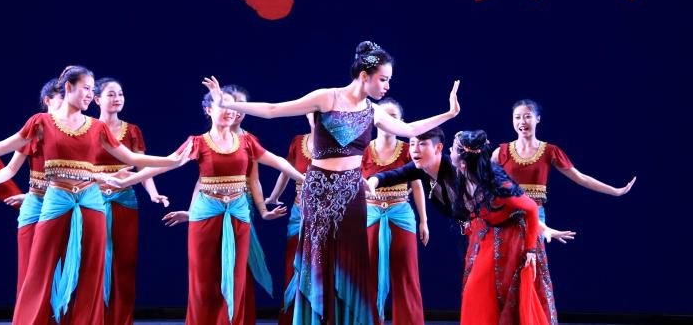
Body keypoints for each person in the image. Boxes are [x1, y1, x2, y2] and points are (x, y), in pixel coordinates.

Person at [206, 40, 460, 324]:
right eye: (383, 79)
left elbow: (410, 129)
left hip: (352, 193)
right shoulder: (327, 97)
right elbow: (274, 109)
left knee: (351, 263)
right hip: (320, 191)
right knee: (319, 260)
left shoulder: (373, 111)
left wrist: (449, 114)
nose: (387, 86)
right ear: (364, 75)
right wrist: (226, 103)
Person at [0, 65, 187, 324]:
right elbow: (2, 147)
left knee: (91, 271)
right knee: (40, 268)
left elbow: (133, 158)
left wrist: (172, 160)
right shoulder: (41, 122)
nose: (89, 94)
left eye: (92, 90)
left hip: (91, 200)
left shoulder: (97, 127)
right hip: (57, 198)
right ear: (69, 87)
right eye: (86, 88)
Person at [106, 88, 302, 325]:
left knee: (235, 278)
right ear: (209, 110)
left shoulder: (247, 142)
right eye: (223, 106)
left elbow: (278, 161)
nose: (230, 111)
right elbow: (167, 163)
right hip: (205, 216)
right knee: (204, 282)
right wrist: (128, 181)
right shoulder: (198, 142)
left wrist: (304, 179)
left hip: (238, 215)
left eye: (232, 106)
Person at [492, 99, 635, 325]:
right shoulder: (501, 152)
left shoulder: (550, 151)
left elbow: (580, 178)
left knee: (531, 270)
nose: (522, 121)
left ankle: (532, 319)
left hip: (534, 218)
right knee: (506, 270)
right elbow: (483, 181)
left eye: (527, 116)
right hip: (506, 218)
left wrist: (615, 191)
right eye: (517, 117)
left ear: (538, 119)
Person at [452, 130, 575, 325]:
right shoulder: (463, 175)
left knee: (509, 295)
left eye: (453, 149)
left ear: (463, 162)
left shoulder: (497, 184)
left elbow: (531, 208)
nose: (449, 151)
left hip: (515, 237)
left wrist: (530, 250)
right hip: (490, 233)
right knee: (476, 290)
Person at [0, 78, 64, 301]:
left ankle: (58, 315)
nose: (68, 102)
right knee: (29, 268)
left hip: (62, 204)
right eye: (62, 97)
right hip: (36, 203)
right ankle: (29, 315)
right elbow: (10, 167)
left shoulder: (75, 131)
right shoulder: (36, 129)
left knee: (59, 267)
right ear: (48, 101)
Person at [93, 77, 169, 325]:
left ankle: (120, 320)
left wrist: (152, 193)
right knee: (91, 260)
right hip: (91, 201)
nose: (117, 99)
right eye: (111, 94)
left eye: (120, 94)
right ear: (97, 99)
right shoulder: (87, 129)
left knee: (123, 263)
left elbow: (142, 167)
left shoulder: (132, 130)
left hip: (124, 201)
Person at [360, 98, 427, 325]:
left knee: (405, 274)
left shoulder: (408, 149)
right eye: (384, 117)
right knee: (367, 273)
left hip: (401, 214)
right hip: (370, 215)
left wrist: (423, 221)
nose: (388, 122)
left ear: (401, 122)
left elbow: (417, 186)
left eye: (394, 117)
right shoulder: (364, 149)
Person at [263, 113, 315, 325]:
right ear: (307, 115)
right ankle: (293, 318)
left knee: (323, 266)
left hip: (328, 215)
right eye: (313, 111)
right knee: (294, 263)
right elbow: (285, 171)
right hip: (299, 213)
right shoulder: (298, 141)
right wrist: (273, 196)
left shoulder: (337, 143)